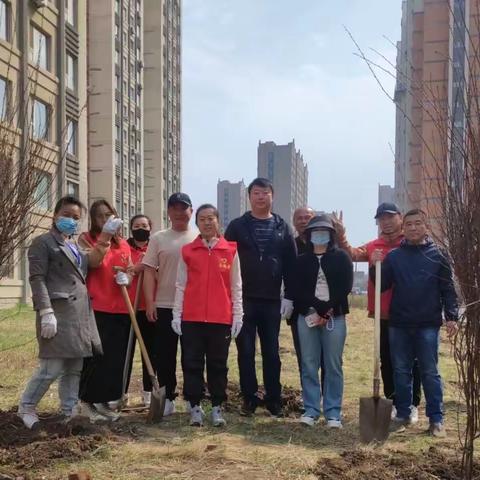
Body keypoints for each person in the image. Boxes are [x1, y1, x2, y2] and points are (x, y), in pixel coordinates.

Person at [17, 196, 122, 429]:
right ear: (55, 215)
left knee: (74, 368)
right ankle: (26, 406)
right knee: (50, 368)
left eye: (76, 218)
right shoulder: (42, 243)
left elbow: (93, 262)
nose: (71, 221)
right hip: (57, 312)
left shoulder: (74, 245)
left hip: (78, 315)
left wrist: (105, 236)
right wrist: (45, 310)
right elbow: (37, 278)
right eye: (66, 215)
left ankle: (69, 410)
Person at [371, 209, 458, 437]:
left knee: (430, 371)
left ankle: (436, 419)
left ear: (425, 227)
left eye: (417, 223)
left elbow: (448, 289)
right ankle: (403, 413)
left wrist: (452, 317)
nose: (413, 228)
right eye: (409, 224)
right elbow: (382, 285)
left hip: (427, 323)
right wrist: (375, 266)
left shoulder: (438, 255)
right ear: (403, 228)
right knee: (401, 370)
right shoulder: (394, 257)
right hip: (399, 323)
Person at [334, 202, 422, 423]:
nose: (386, 222)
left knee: (412, 360)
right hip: (383, 313)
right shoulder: (375, 246)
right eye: (381, 218)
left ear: (400, 218)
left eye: (390, 217)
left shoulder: (410, 243)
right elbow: (352, 254)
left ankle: (412, 403)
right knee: (387, 359)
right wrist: (341, 235)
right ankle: (392, 401)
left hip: (410, 312)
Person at [225, 178, 297, 417]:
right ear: (249, 196)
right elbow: (225, 261)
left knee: (271, 351)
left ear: (272, 196)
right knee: (245, 350)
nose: (260, 197)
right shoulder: (237, 226)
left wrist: (289, 296)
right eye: (256, 193)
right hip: (243, 299)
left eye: (265, 193)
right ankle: (249, 397)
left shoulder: (282, 227)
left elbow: (291, 263)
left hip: (272, 300)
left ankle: (274, 398)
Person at [172, 204, 243, 427]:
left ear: (218, 221)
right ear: (197, 223)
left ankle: (217, 407)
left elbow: (236, 285)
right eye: (202, 219)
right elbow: (180, 285)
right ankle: (194, 407)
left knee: (218, 364)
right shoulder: (188, 251)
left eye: (211, 218)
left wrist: (237, 314)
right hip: (192, 318)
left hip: (220, 318)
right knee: (191, 363)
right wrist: (177, 313)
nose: (207, 222)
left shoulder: (230, 250)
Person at [288, 214, 353, 427]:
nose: (319, 236)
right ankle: (311, 409)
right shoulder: (300, 261)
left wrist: (327, 310)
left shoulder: (342, 257)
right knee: (308, 363)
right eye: (315, 232)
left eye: (324, 232)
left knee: (334, 364)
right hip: (307, 315)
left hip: (335, 316)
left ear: (331, 235)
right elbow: (298, 289)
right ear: (308, 236)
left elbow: (346, 286)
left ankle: (333, 412)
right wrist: (317, 306)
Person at [142, 193, 197, 415]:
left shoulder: (199, 237)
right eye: (174, 207)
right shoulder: (158, 238)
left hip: (191, 307)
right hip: (164, 304)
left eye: (183, 208)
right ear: (168, 212)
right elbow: (147, 271)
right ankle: (167, 398)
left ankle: (193, 399)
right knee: (165, 355)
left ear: (191, 211)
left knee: (191, 355)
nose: (179, 212)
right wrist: (150, 302)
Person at [78, 199, 133, 422]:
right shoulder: (86, 239)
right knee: (95, 356)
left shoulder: (124, 244)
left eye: (108, 215)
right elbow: (93, 262)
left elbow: (129, 269)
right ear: (93, 219)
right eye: (100, 216)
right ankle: (87, 400)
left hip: (120, 307)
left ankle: (106, 400)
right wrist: (104, 238)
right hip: (97, 305)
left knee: (115, 357)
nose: (105, 219)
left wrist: (127, 277)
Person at [124, 214, 154, 407]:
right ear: (131, 228)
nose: (140, 228)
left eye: (144, 225)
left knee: (149, 353)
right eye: (137, 225)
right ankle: (121, 392)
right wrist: (134, 269)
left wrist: (148, 264)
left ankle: (148, 393)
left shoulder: (155, 247)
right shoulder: (123, 247)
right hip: (126, 307)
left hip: (148, 308)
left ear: (150, 228)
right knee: (124, 352)